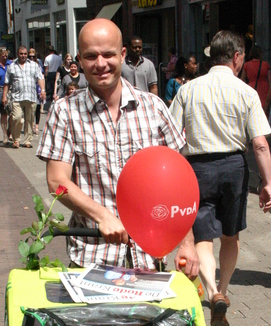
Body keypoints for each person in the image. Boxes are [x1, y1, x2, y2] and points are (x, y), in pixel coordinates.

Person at [37, 18, 198, 276]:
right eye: (91, 56)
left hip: (149, 259)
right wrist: (102, 215)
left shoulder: (154, 108)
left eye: (108, 54)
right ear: (79, 59)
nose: (100, 64)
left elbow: (179, 185)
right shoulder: (64, 112)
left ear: (122, 55)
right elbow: (57, 181)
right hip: (92, 259)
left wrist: (187, 242)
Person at [170, 30, 271, 326]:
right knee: (231, 234)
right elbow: (260, 144)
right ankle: (223, 291)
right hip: (233, 166)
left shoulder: (187, 90)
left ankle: (211, 288)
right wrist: (266, 182)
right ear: (237, 57)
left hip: (197, 167)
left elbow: (172, 138)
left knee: (202, 235)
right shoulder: (245, 92)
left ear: (209, 56)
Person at [2, 46, 46, 149]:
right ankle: (16, 139)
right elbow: (7, 83)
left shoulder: (34, 66)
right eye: (21, 54)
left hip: (31, 96)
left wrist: (43, 90)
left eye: (25, 54)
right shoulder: (11, 66)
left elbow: (40, 78)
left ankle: (27, 141)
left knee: (29, 120)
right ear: (18, 54)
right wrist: (4, 96)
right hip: (16, 97)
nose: (23, 56)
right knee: (16, 118)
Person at [28, 49, 44, 135]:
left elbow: (42, 77)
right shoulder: (25, 65)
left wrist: (43, 89)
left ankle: (36, 126)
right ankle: (32, 125)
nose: (31, 58)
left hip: (37, 88)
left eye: (33, 57)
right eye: (30, 56)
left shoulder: (38, 65)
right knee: (31, 108)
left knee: (38, 108)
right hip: (29, 88)